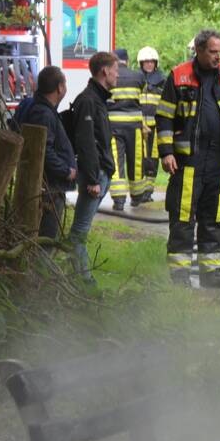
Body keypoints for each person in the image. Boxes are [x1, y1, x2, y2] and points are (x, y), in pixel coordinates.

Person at [156, 29, 220, 288]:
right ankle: (180, 277)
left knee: (213, 219)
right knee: (182, 220)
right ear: (199, 50)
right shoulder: (179, 76)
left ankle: (210, 274)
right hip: (189, 162)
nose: (218, 57)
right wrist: (166, 152)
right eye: (213, 52)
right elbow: (164, 116)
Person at [69, 51, 119, 284]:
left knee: (81, 230)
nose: (118, 75)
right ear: (105, 71)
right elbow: (86, 142)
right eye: (115, 70)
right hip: (95, 176)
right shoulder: (89, 100)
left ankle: (76, 275)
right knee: (79, 232)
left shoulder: (97, 99)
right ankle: (84, 280)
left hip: (101, 173)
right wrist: (92, 180)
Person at [12, 66, 77, 239]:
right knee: (46, 237)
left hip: (44, 185)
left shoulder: (38, 107)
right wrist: (66, 171)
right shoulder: (44, 113)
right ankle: (41, 259)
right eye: (65, 83)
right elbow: (43, 151)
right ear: (60, 88)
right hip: (49, 188)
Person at [106, 48, 147, 212]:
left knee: (116, 162)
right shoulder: (138, 76)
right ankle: (137, 197)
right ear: (127, 61)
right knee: (136, 160)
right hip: (134, 126)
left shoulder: (110, 76)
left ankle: (119, 200)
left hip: (113, 126)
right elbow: (142, 100)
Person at [136, 46, 164, 206]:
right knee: (139, 158)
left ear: (155, 63)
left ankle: (148, 191)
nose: (148, 64)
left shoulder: (162, 81)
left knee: (153, 159)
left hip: (155, 126)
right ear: (141, 63)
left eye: (151, 61)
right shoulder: (136, 80)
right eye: (145, 61)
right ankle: (139, 191)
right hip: (139, 125)